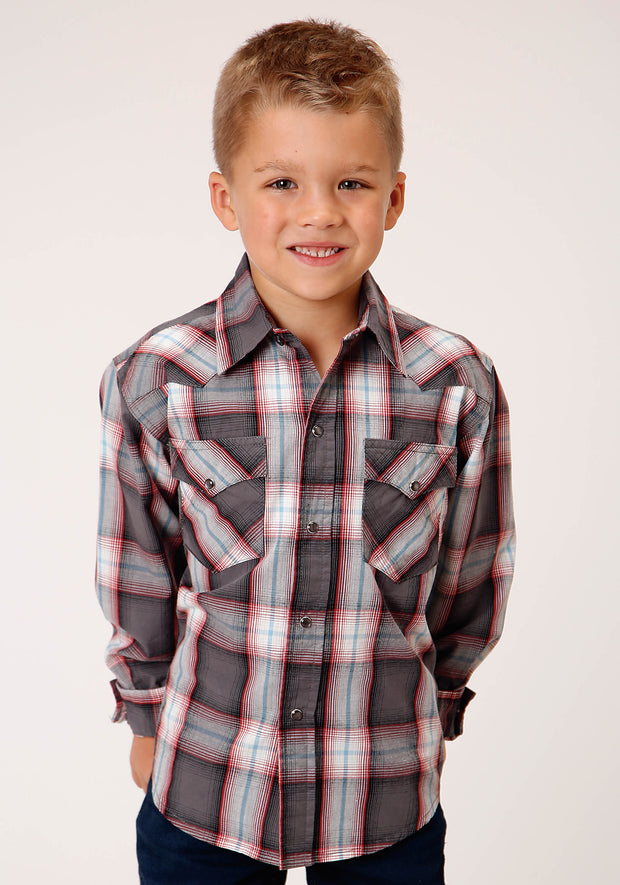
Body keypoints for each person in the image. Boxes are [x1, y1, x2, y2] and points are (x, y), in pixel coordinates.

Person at [96, 19, 515, 885]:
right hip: (207, 785)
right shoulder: (158, 375)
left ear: (394, 199)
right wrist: (144, 714)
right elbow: (138, 564)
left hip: (384, 795)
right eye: (282, 181)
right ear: (226, 199)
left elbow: (470, 575)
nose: (320, 211)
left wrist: (436, 708)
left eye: (352, 182)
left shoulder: (455, 383)